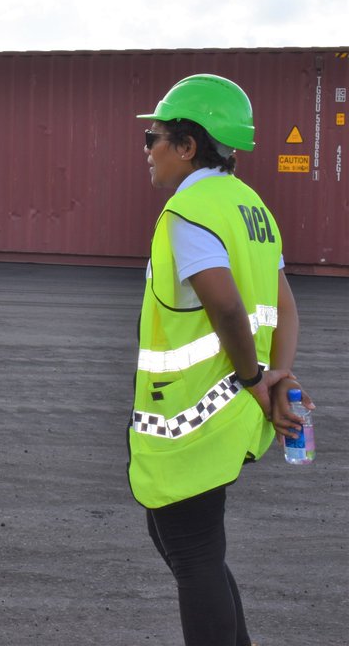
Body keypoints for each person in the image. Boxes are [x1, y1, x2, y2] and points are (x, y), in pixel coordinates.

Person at [129, 74, 313, 646]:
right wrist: (276, 379)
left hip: (194, 413)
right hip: (233, 407)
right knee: (194, 550)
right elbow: (285, 310)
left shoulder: (192, 210)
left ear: (188, 146)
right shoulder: (251, 206)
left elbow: (227, 306)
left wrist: (259, 379)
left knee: (192, 553)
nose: (147, 152)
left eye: (154, 139)